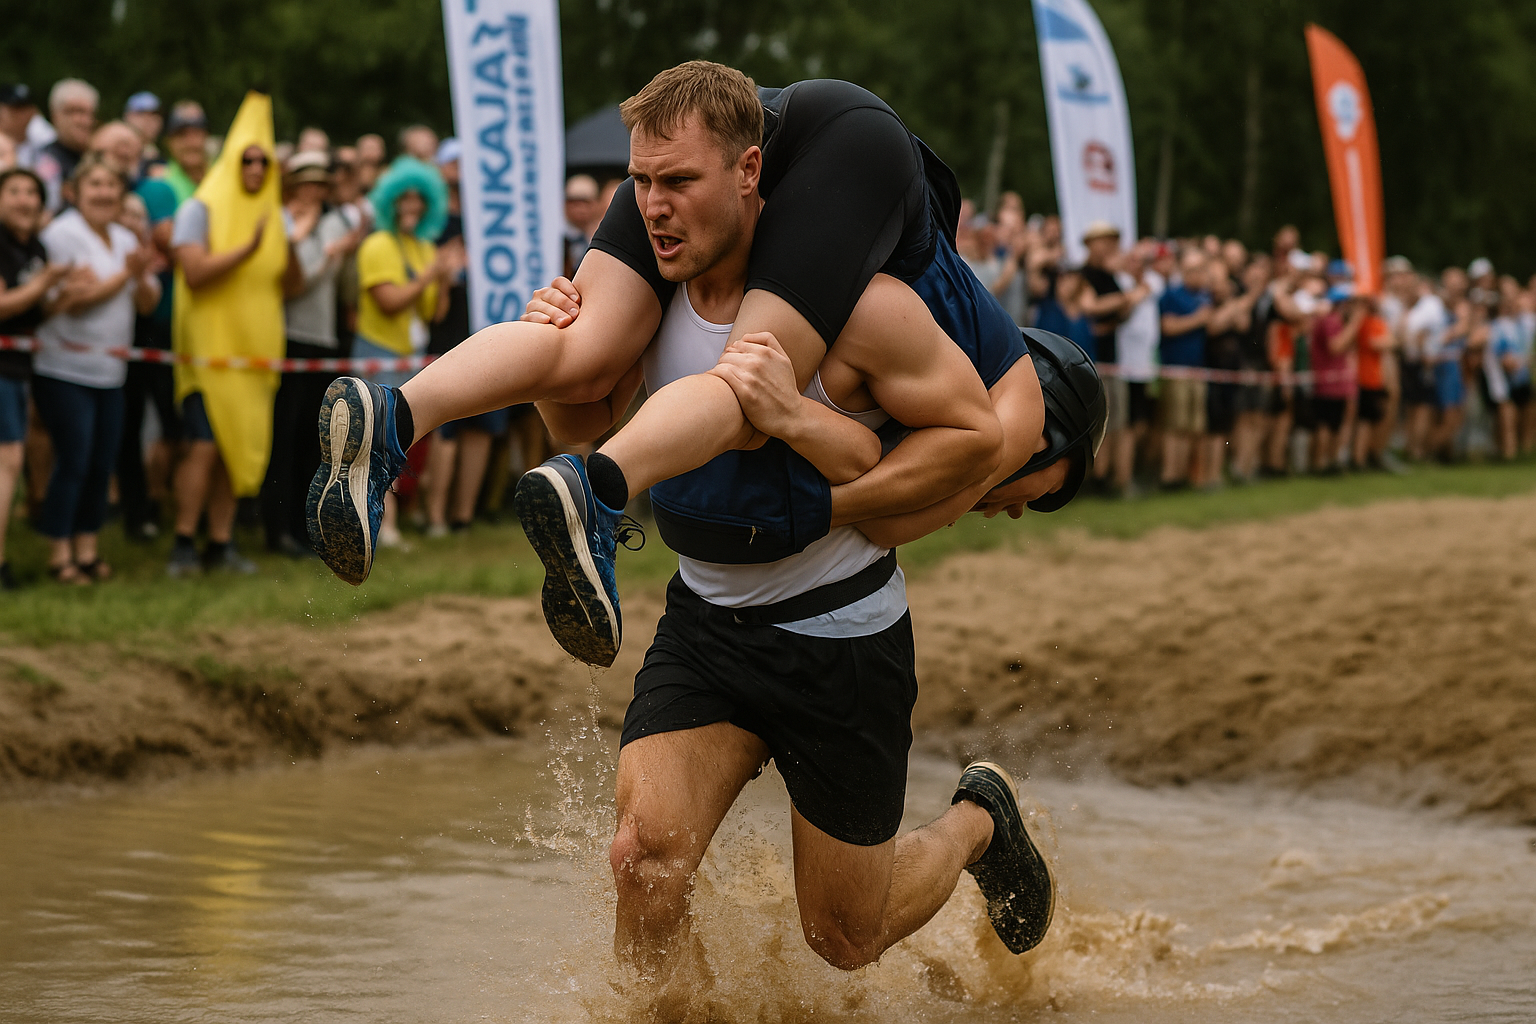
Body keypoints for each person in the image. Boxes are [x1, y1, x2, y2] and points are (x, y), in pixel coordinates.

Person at [309, 62, 1087, 982]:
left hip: (837, 637)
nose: (653, 210)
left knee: (845, 935)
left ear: (753, 174)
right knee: (642, 866)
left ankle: (978, 820)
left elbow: (949, 467)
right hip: (708, 623)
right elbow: (584, 424)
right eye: (640, 186)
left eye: (677, 184)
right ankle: (398, 420)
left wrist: (812, 454)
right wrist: (564, 365)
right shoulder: (655, 290)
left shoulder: (867, 307)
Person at [168, 92, 297, 577]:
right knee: (204, 445)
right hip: (209, 355)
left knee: (233, 451)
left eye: (265, 161)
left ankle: (220, 545)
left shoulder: (272, 213)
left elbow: (291, 284)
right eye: (248, 159)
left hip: (256, 355)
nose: (256, 168)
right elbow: (194, 272)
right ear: (232, 158)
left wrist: (293, 243)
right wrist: (248, 248)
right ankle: (183, 542)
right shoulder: (199, 208)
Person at [31, 154, 161, 583]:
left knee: (102, 461)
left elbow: (147, 304)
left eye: (111, 186)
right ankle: (58, 553)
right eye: (96, 186)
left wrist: (138, 278)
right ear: (75, 192)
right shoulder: (60, 235)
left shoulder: (125, 238)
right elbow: (71, 300)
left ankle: (87, 549)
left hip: (111, 370)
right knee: (75, 458)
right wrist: (123, 278)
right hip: (64, 366)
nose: (104, 193)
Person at [261, 152, 365, 556]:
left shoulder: (334, 221)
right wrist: (332, 252)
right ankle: (277, 529)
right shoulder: (284, 221)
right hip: (288, 337)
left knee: (315, 439)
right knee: (282, 437)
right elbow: (297, 282)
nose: (315, 191)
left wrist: (343, 253)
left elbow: (342, 285)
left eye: (321, 184)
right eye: (308, 182)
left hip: (324, 340)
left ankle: (306, 530)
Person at [350, 155, 453, 547]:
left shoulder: (422, 247)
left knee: (397, 444)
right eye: (404, 198)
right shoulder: (376, 244)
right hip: (379, 353)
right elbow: (389, 301)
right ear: (390, 202)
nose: (412, 206)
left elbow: (433, 313)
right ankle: (383, 526)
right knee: (376, 440)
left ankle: (388, 523)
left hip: (411, 356)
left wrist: (441, 282)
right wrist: (430, 274)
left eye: (418, 199)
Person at [0, 167, 74, 589]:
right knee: (8, 462)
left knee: (11, 462)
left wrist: (63, 297)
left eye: (32, 193)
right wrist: (44, 283)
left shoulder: (36, 247)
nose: (25, 200)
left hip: (17, 369)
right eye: (14, 192)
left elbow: (30, 314)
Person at [1158, 248, 1213, 487]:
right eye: (1192, 270)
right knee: (1175, 425)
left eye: (1200, 269)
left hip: (1198, 367)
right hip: (1176, 367)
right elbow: (1168, 327)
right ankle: (1171, 476)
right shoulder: (1171, 295)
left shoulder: (1204, 296)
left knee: (1195, 426)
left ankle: (1191, 476)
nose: (1197, 275)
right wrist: (1198, 320)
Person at [1308, 286, 1363, 473]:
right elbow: (1336, 347)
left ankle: (1329, 462)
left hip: (1335, 383)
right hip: (1328, 383)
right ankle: (1321, 463)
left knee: (1334, 425)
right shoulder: (1331, 321)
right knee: (1326, 425)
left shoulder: (1333, 320)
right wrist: (1355, 323)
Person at [35, 79, 98, 215]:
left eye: (88, 113)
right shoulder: (45, 159)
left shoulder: (100, 157)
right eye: (74, 112)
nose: (83, 121)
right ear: (55, 116)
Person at [160, 101, 210, 204]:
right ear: (169, 142)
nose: (191, 143)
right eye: (182, 135)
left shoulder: (226, 174)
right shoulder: (163, 184)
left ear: (206, 136)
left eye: (196, 134)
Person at [0, 84, 42, 171]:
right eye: (15, 108)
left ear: (34, 111)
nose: (22, 114)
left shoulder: (43, 144)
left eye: (25, 107)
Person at [122, 92, 163, 175]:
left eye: (154, 113)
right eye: (141, 112)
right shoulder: (117, 153)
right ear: (127, 116)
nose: (148, 119)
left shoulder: (159, 158)